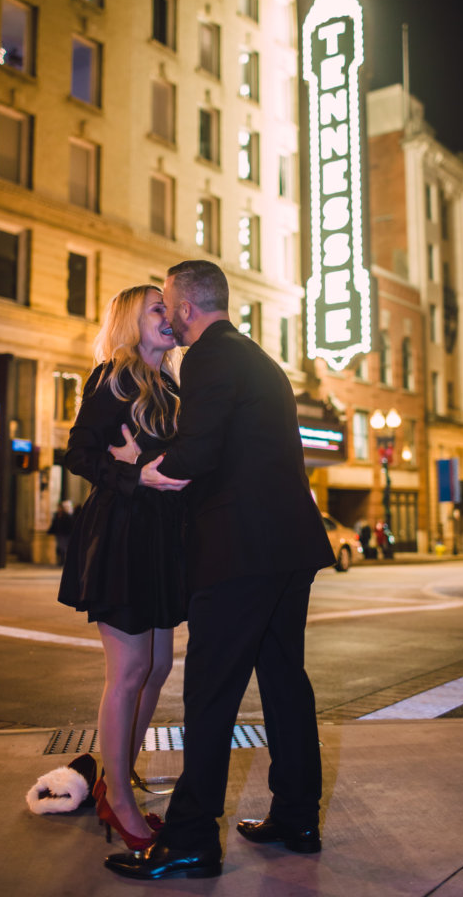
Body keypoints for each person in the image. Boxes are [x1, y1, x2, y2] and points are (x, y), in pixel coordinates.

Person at [105, 260, 334, 882]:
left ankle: (190, 840)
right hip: (288, 547)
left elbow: (195, 456)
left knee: (210, 691)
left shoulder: (206, 358)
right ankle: (296, 816)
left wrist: (140, 465)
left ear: (184, 309)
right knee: (285, 681)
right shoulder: (259, 359)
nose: (170, 322)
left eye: (169, 308)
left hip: (240, 551)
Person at [57, 285, 188, 851]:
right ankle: (120, 802)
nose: (170, 316)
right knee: (130, 671)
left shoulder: (170, 385)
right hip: (123, 533)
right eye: (157, 308)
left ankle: (117, 778)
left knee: (158, 666)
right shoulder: (113, 376)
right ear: (133, 321)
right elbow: (79, 453)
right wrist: (135, 475)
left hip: (160, 538)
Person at [47, 499, 74, 565]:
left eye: (59, 507)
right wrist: (50, 531)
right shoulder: (57, 515)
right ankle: (61, 560)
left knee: (64, 547)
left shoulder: (67, 516)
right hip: (59, 533)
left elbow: (69, 525)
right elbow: (54, 524)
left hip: (65, 534)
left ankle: (64, 561)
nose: (58, 509)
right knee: (59, 547)